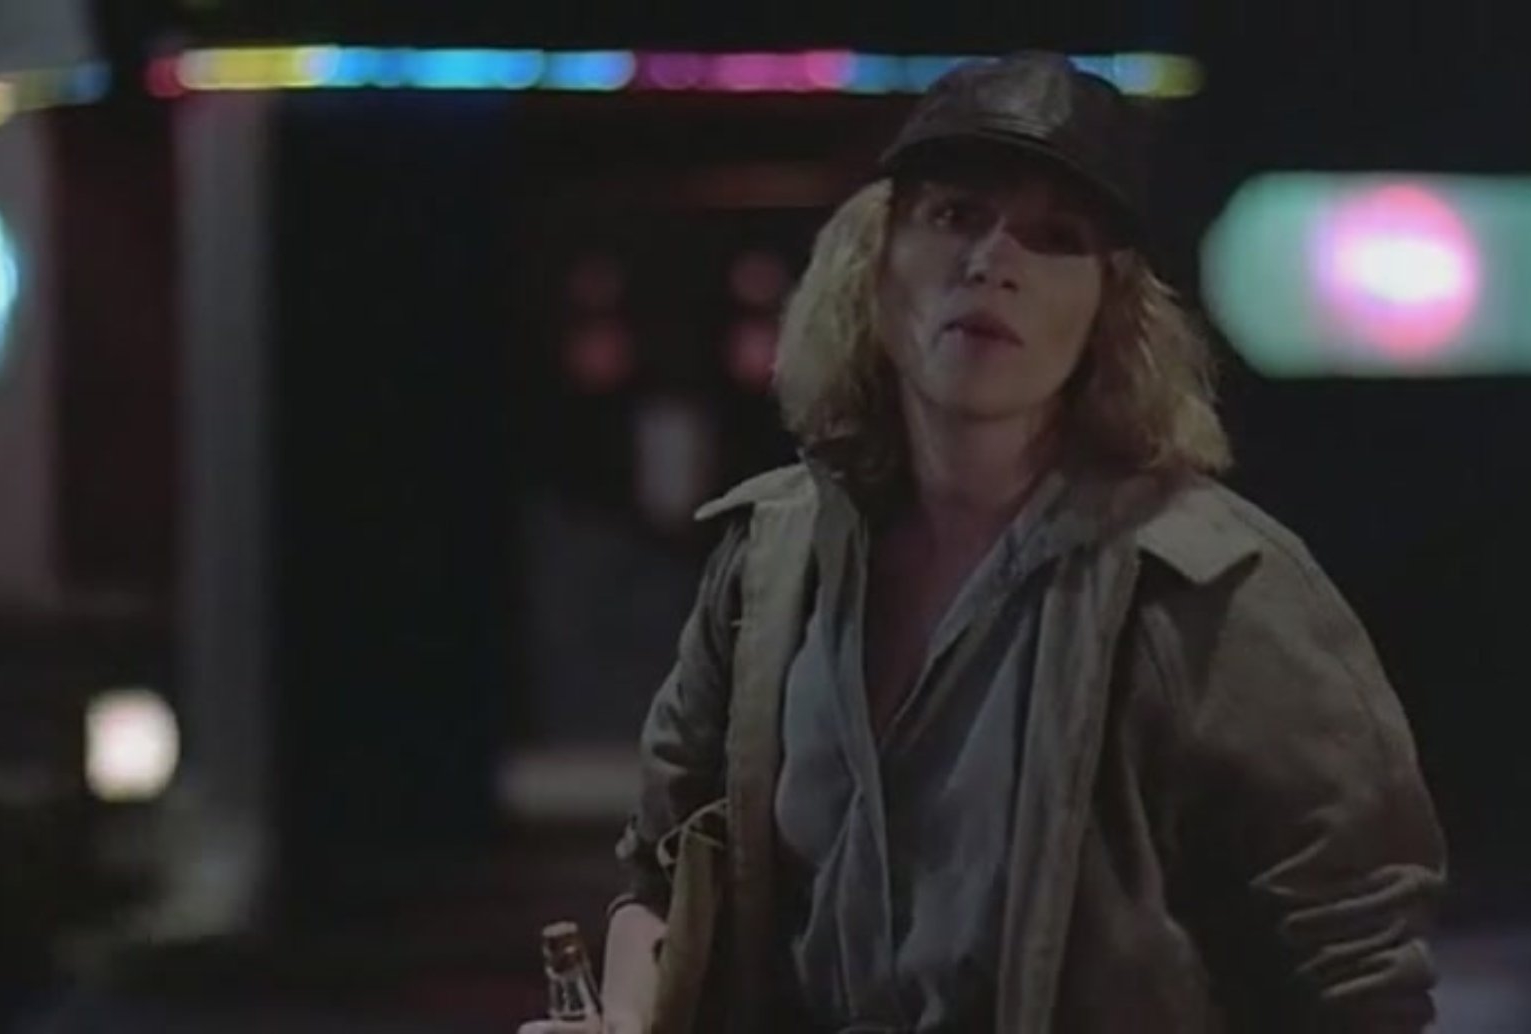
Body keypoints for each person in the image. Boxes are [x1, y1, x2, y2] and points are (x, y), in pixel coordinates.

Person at [523, 50, 1446, 1033]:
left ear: (1108, 311)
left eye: (1056, 238)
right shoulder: (773, 561)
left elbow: (1357, 978)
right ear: (876, 265)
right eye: (956, 214)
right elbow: (664, 870)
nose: (995, 260)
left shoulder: (1216, 588)